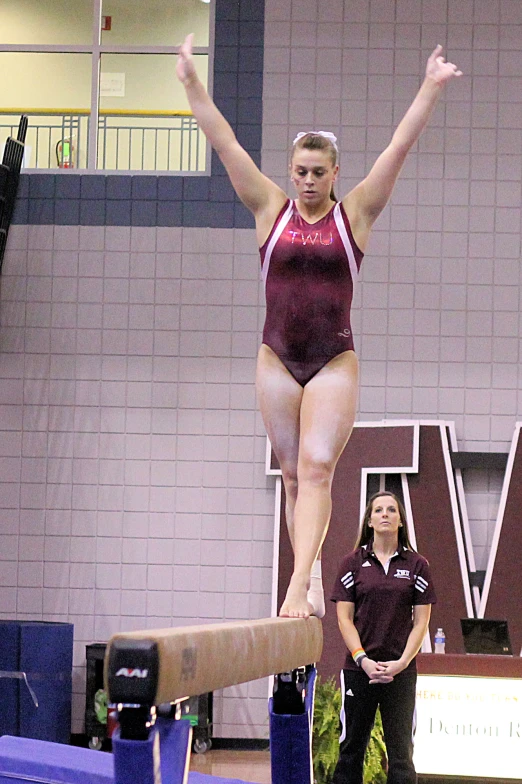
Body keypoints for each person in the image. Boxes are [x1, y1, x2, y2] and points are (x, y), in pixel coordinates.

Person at [176, 37, 461, 618]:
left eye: (318, 173)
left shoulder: (354, 213)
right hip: (276, 358)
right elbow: (224, 141)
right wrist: (191, 84)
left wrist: (430, 86)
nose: (308, 182)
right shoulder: (267, 209)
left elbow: (398, 147)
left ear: (335, 173)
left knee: (317, 466)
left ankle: (298, 580)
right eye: (300, 172)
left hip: (333, 360)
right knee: (290, 474)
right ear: (290, 171)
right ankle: (304, 579)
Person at [330, 491, 436, 784]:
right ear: (370, 520)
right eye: (379, 510)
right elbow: (344, 618)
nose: (385, 514)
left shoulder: (417, 566)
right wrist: (362, 659)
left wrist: (401, 662)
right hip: (358, 670)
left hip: (399, 673)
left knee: (401, 755)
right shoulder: (352, 563)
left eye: (391, 510)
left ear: (401, 520)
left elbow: (421, 622)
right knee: (351, 749)